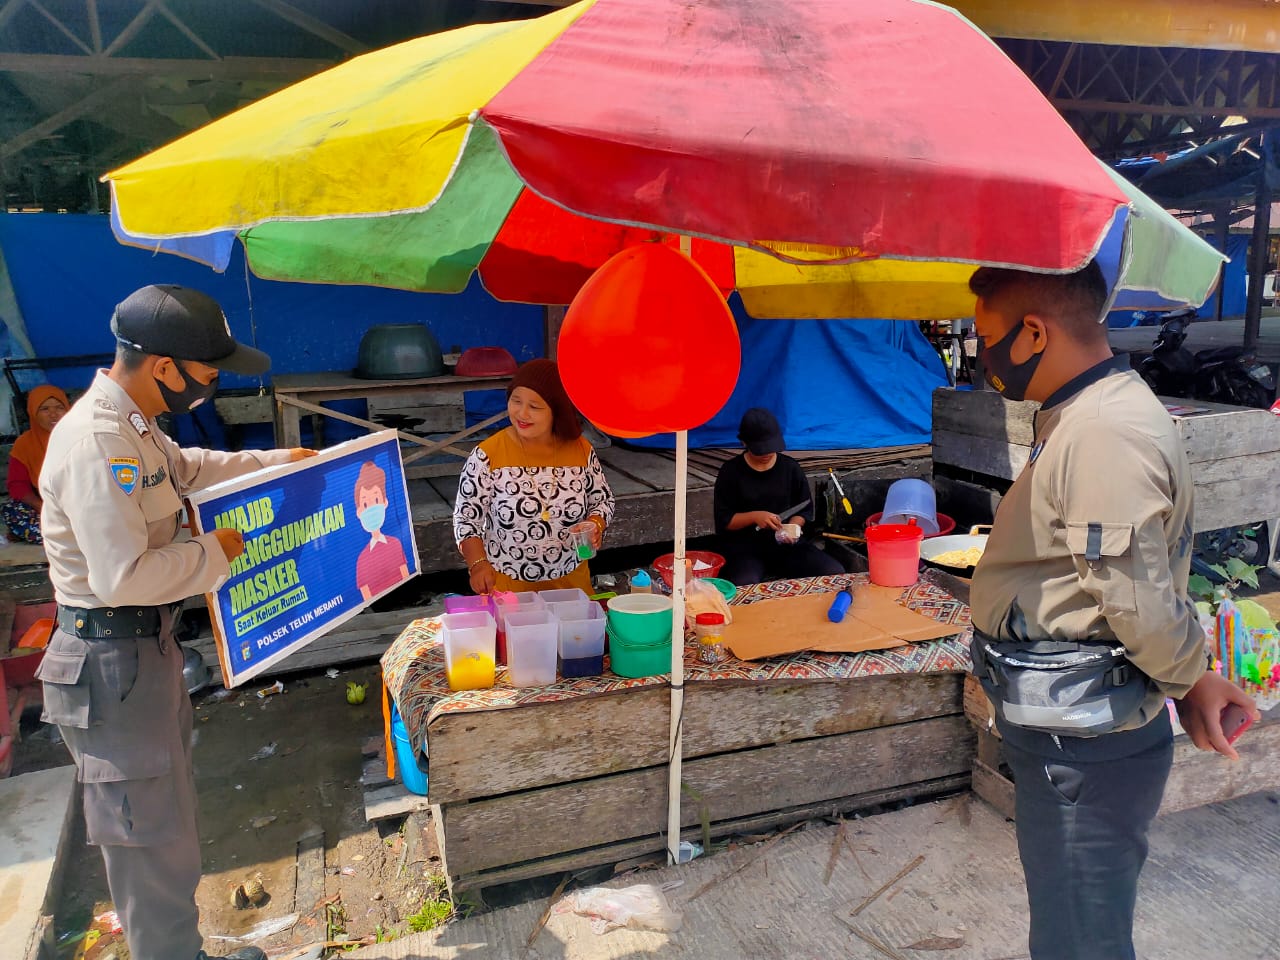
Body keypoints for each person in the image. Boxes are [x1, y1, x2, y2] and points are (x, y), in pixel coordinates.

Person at [966, 262, 1259, 960]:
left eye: (986, 339)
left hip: (1085, 744)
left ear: (1032, 332)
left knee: (1080, 939)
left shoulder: (1102, 431)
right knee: (1076, 923)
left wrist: (1189, 677)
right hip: (1072, 726)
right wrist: (1191, 679)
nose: (984, 360)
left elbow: (1136, 597)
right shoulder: (1086, 411)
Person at [35, 284, 315, 960]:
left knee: (169, 829)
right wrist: (209, 554)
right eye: (209, 374)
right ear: (165, 367)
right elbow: (121, 577)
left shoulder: (133, 423)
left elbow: (189, 469)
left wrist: (277, 462)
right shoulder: (97, 442)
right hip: (111, 666)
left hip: (143, 653)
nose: (212, 387)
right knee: (148, 845)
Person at [455, 358, 614, 595]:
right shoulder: (488, 455)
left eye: (535, 406)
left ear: (556, 411)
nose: (522, 413)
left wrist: (595, 524)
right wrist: (478, 565)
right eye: (515, 401)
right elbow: (466, 518)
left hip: (571, 586)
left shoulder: (580, 450)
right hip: (509, 592)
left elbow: (602, 500)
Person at [713, 407, 844, 585]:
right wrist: (755, 517)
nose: (767, 454)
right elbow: (725, 520)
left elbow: (804, 508)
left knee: (833, 572)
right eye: (760, 450)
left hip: (787, 546)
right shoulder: (731, 472)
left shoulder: (790, 468)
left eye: (771, 448)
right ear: (744, 443)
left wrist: (793, 528)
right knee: (745, 581)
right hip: (746, 548)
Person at [2, 384, 70, 543]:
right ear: (33, 412)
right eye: (45, 409)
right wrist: (42, 507)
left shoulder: (82, 438)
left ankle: (65, 535)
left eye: (59, 407)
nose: (53, 414)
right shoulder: (24, 444)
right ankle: (66, 536)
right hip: (43, 506)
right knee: (13, 511)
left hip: (79, 504)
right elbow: (17, 485)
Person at [354, 459, 410, 600]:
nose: (372, 508)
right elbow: (366, 597)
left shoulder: (396, 543)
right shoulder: (362, 559)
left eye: (376, 500)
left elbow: (405, 576)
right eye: (366, 503)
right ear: (359, 511)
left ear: (385, 502)